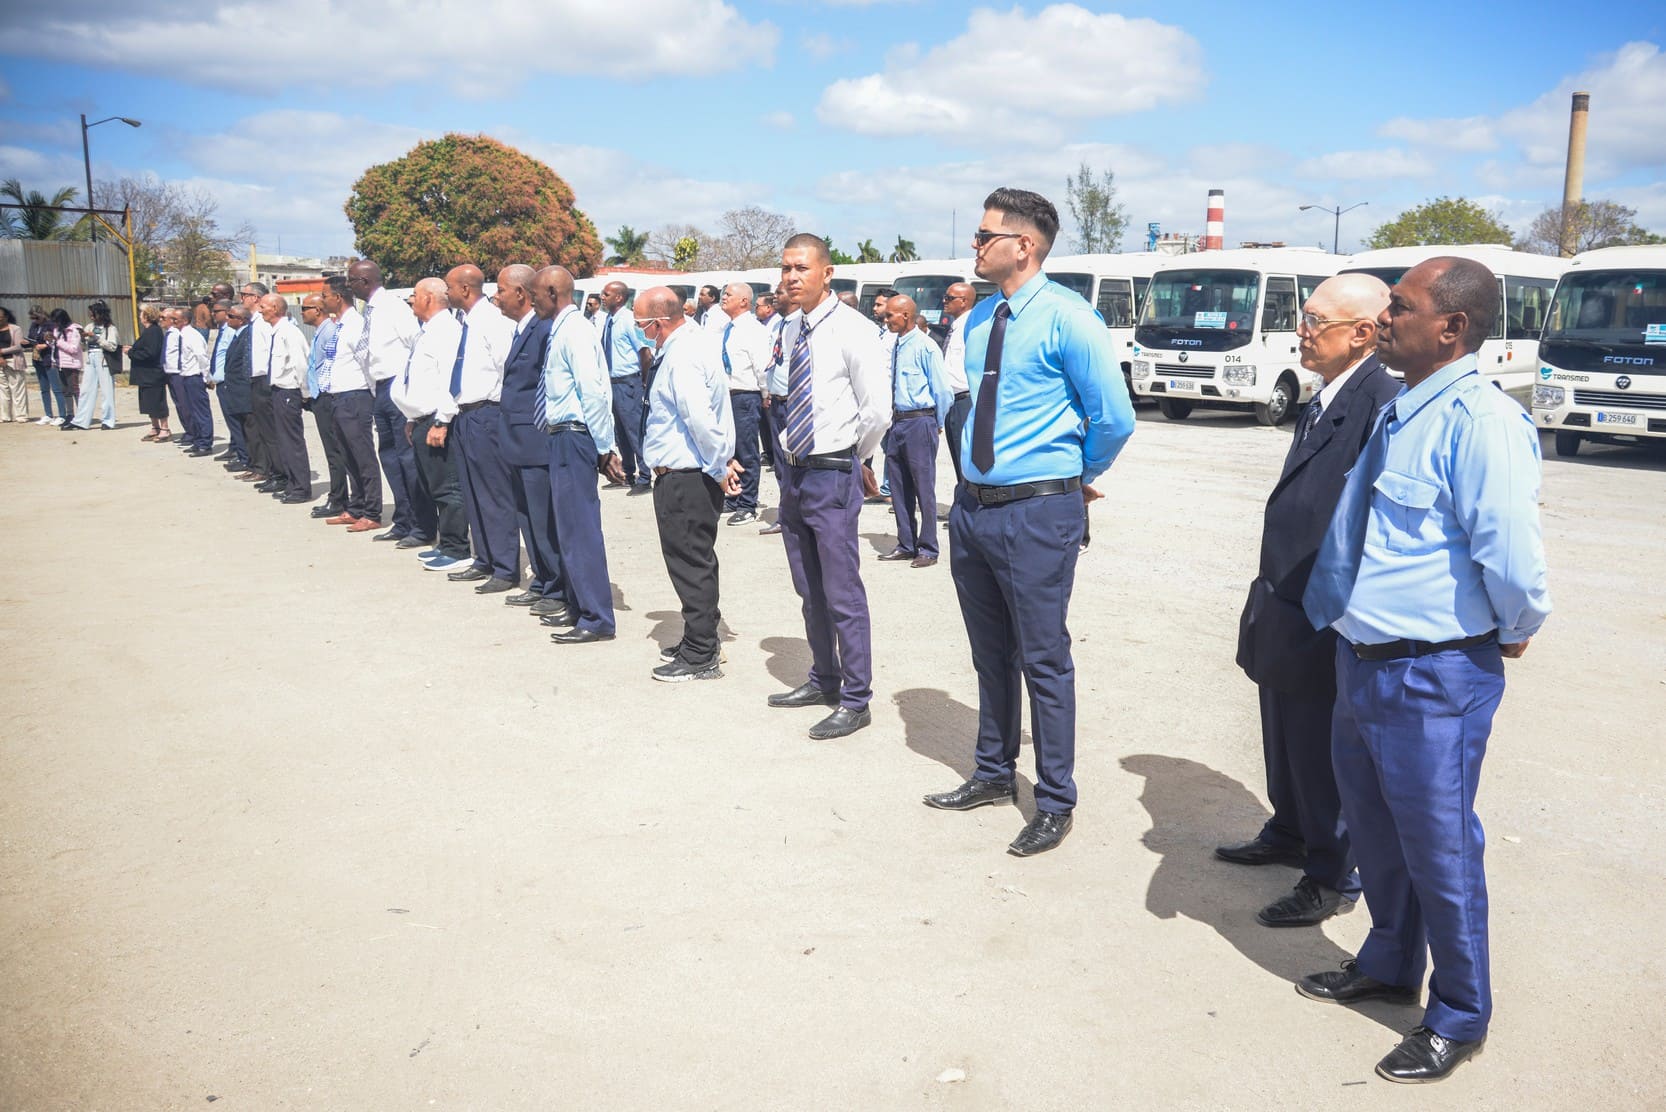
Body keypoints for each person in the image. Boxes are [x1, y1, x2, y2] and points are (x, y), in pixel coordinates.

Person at [1296, 257, 1551, 1084]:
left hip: (1433, 674)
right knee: (1378, 835)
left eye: (1400, 308)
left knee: (1441, 850)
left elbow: (1510, 554)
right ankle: (1389, 963)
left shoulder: (1481, 421)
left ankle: (1459, 1012)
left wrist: (1511, 630)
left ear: (1452, 328)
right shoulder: (1404, 408)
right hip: (1362, 661)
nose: (1384, 321)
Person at [922, 188, 1135, 857]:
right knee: (991, 655)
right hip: (976, 509)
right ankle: (991, 772)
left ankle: (1055, 799)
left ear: (1026, 245)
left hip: (1038, 512)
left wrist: (1075, 480)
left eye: (987, 236)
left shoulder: (1070, 319)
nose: (976, 246)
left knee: (1043, 657)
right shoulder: (981, 320)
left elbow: (1115, 418)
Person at [1220, 274, 1400, 927]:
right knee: (1283, 732)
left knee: (1321, 746)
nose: (1303, 330)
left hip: (1324, 606)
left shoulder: (1382, 399)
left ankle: (1330, 874)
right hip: (1283, 595)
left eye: (1315, 320)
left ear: (1361, 333)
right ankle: (1290, 828)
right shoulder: (1325, 393)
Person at [768, 233, 890, 740]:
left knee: (841, 589)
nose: (791, 277)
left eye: (801, 268)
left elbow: (878, 410)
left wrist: (854, 458)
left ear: (826, 273)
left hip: (832, 472)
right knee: (809, 587)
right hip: (792, 470)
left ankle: (856, 698)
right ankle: (824, 678)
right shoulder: (791, 327)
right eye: (785, 269)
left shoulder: (854, 330)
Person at [637, 286, 739, 678]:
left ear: (659, 323)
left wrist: (718, 468)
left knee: (691, 564)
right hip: (683, 473)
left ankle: (701, 655)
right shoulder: (680, 349)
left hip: (686, 477)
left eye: (642, 324)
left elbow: (702, 421)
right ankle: (701, 637)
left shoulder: (682, 357)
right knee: (692, 561)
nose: (640, 332)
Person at [532, 265, 624, 643]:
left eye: (537, 293)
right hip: (560, 437)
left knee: (579, 530)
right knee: (565, 528)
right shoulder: (562, 330)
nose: (532, 299)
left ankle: (597, 617)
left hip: (575, 437)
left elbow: (595, 393)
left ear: (554, 292)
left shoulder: (576, 332)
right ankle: (577, 604)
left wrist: (605, 449)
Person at [441, 263, 519, 590]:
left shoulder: (492, 322)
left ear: (465, 289)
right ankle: (484, 558)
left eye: (449, 287)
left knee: (493, 492)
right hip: (465, 413)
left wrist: (500, 416)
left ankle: (504, 566)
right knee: (472, 491)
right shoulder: (466, 322)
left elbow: (506, 370)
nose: (445, 293)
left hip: (487, 413)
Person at [394, 279, 471, 571]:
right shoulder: (428, 331)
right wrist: (413, 419)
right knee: (432, 485)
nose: (411, 300)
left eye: (414, 295)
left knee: (447, 487)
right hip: (425, 419)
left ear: (428, 297)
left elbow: (450, 381)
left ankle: (457, 549)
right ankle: (447, 544)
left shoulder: (446, 331)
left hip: (440, 421)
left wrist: (441, 420)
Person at [347, 259, 422, 543]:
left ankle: (419, 523)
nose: (349, 285)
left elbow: (415, 343)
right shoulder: (371, 310)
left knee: (406, 457)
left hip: (396, 386)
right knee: (389, 457)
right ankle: (402, 521)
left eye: (352, 280)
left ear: (365, 282)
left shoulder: (392, 307)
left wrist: (406, 385)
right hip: (379, 388)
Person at [495, 264, 557, 602]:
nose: (497, 297)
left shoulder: (543, 329)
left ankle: (556, 586)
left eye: (502, 290)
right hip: (516, 441)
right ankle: (542, 580)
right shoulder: (521, 330)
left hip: (535, 440)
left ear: (521, 293)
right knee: (527, 517)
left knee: (543, 518)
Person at [876, 294, 953, 567]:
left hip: (920, 421)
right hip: (898, 422)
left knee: (923, 487)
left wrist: (936, 422)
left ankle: (928, 548)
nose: (885, 321)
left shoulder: (925, 346)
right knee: (898, 486)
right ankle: (906, 543)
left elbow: (943, 390)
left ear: (906, 315)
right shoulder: (896, 345)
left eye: (890, 316)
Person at [319, 276, 383, 531]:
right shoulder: (340, 325)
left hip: (355, 396)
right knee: (347, 456)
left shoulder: (356, 325)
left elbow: (367, 363)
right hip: (337, 396)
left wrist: (371, 396)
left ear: (338, 297)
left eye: (325, 296)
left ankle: (372, 511)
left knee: (362, 456)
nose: (322, 300)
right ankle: (355, 507)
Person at [715, 282, 772, 526]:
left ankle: (748, 503)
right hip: (727, 395)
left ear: (744, 302)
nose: (723, 297)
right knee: (731, 450)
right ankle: (736, 496)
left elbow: (762, 366)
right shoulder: (728, 328)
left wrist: (765, 394)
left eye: (729, 295)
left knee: (747, 451)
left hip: (745, 396)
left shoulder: (753, 330)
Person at [599, 280, 653, 492]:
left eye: (606, 294)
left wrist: (644, 381)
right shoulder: (609, 320)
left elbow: (645, 352)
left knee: (634, 430)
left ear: (619, 297)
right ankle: (628, 474)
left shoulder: (629, 320)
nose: (602, 297)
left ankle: (645, 476)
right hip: (613, 382)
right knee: (620, 432)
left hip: (629, 381)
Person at [260, 294, 313, 504]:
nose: (261, 309)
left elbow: (301, 363)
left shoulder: (290, 332)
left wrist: (305, 393)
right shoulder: (276, 331)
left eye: (263, 306)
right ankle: (292, 484)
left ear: (275, 308)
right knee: (283, 441)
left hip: (289, 391)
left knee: (292, 441)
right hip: (278, 391)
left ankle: (301, 487)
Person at [302, 295, 350, 519]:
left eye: (305, 308)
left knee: (335, 452)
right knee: (332, 451)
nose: (302, 312)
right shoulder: (320, 332)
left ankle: (339, 499)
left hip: (327, 396)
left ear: (318, 310)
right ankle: (338, 497)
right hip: (319, 396)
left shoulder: (329, 331)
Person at [940, 283, 977, 486]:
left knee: (966, 460)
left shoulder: (970, 326)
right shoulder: (956, 327)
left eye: (949, 298)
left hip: (966, 400)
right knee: (957, 457)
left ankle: (968, 513)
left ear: (963, 301)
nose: (944, 301)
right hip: (953, 402)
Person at [240, 282, 276, 480]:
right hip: (253, 378)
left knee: (268, 430)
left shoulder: (263, 324)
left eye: (244, 294)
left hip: (264, 379)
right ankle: (261, 467)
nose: (241, 298)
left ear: (255, 298)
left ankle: (270, 469)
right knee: (256, 427)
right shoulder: (254, 322)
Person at [215, 305, 254, 473]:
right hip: (232, 388)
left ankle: (246, 459)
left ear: (241, 320)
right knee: (236, 425)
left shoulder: (246, 335)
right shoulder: (237, 335)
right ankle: (242, 456)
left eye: (230, 316)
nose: (227, 318)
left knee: (243, 426)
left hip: (240, 390)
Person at [70, 301, 119, 431]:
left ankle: (108, 420)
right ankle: (81, 420)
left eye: (94, 315)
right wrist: (82, 337)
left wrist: (96, 338)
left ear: (101, 314)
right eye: (90, 315)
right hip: (90, 358)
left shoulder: (110, 328)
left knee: (107, 391)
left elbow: (112, 346)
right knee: (86, 389)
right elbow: (83, 345)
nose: (91, 317)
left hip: (104, 359)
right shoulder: (89, 326)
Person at [129, 305, 170, 442]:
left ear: (146, 316)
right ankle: (155, 427)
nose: (140, 316)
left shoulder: (153, 331)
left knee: (157, 401)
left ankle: (164, 428)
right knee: (148, 401)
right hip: (145, 374)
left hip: (153, 373)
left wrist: (131, 353)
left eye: (141, 313)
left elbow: (150, 352)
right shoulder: (148, 331)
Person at [45, 309, 84, 430]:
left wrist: (57, 341)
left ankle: (81, 415)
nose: (55, 324)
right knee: (65, 390)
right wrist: (50, 340)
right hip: (59, 363)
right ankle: (70, 414)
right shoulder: (58, 330)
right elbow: (55, 347)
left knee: (74, 390)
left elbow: (73, 349)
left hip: (71, 364)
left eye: (56, 321)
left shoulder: (74, 330)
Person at [27, 308, 64, 425]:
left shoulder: (51, 325)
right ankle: (48, 414)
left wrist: (45, 345)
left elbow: (56, 341)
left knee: (56, 388)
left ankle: (62, 414)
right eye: (32, 318)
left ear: (43, 315)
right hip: (37, 358)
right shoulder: (34, 326)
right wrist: (27, 342)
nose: (34, 320)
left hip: (49, 359)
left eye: (36, 318)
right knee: (44, 389)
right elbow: (31, 338)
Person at [0, 307, 29, 422]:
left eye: (0, 318)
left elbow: (18, 346)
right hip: (0, 361)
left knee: (18, 389)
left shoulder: (15, 329)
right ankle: (5, 416)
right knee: (3, 390)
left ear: (6, 317)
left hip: (14, 361)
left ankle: (21, 415)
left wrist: (2, 351)